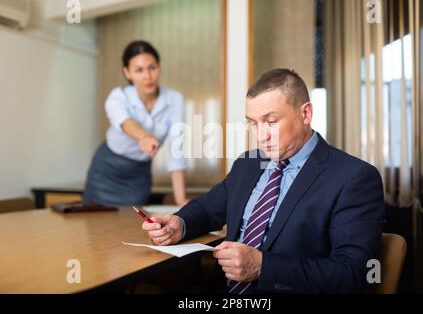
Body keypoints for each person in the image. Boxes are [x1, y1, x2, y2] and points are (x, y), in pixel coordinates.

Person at [141, 68, 385, 293]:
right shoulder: (247, 164)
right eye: (253, 123)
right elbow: (207, 208)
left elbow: (354, 274)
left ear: (306, 113)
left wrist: (262, 267)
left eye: (271, 121)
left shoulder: (354, 177)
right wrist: (179, 224)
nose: (261, 136)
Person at [83, 41, 189, 207]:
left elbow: (177, 150)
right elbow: (125, 122)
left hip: (139, 175)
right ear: (127, 73)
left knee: (131, 225)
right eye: (139, 70)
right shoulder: (118, 96)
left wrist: (181, 199)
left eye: (152, 67)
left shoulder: (174, 99)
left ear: (159, 67)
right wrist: (144, 135)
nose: (147, 76)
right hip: (107, 169)